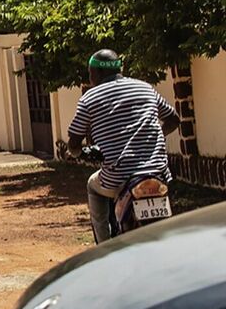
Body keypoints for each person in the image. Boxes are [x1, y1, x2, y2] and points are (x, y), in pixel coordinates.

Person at [66, 50, 179, 243]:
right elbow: (173, 119)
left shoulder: (89, 98)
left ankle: (103, 248)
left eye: (90, 72)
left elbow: (74, 141)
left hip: (120, 176)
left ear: (97, 73)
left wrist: (78, 153)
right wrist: (157, 135)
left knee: (93, 185)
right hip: (157, 173)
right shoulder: (144, 88)